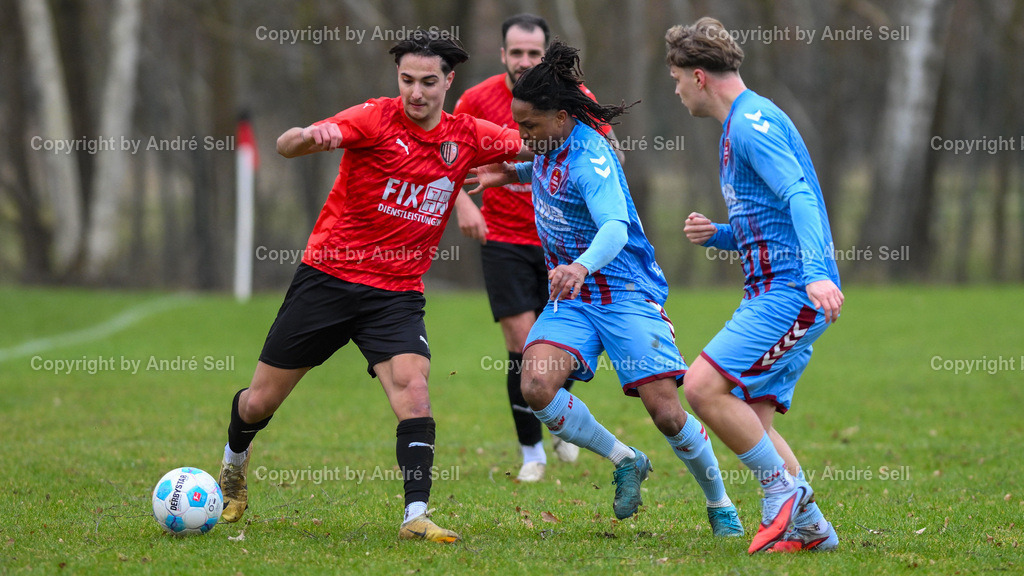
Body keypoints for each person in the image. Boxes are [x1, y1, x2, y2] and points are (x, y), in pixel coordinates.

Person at [215, 30, 524, 544]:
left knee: (415, 389)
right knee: (258, 404)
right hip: (328, 281)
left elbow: (535, 141)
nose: (416, 92)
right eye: (407, 80)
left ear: (450, 81)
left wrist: (583, 138)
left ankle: (415, 515)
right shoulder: (373, 118)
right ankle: (233, 463)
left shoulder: (468, 134)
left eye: (428, 82)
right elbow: (294, 142)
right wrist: (301, 138)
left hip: (396, 294)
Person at [469, 40, 743, 536]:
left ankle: (720, 502)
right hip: (575, 302)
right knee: (535, 386)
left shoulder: (589, 154)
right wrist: (512, 172)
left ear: (560, 116)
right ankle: (625, 459)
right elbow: (550, 170)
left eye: (529, 125)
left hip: (623, 295)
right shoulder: (552, 146)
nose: (521, 133)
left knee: (665, 413)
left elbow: (615, 227)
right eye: (518, 124)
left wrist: (579, 266)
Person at [665, 17, 844, 553]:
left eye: (675, 79)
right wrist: (720, 235)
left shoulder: (750, 123)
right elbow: (770, 217)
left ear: (698, 77)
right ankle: (812, 529)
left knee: (700, 387)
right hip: (777, 286)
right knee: (754, 420)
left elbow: (801, 198)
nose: (674, 90)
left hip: (790, 291)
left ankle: (779, 495)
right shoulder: (740, 125)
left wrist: (814, 272)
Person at [452, 14, 623, 484]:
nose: (524, 60)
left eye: (534, 53)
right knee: (521, 343)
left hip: (566, 245)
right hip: (503, 239)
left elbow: (611, 156)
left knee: (556, 346)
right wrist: (464, 204)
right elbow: (447, 155)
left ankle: (560, 416)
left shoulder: (574, 101)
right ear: (503, 54)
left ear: (544, 55)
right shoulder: (477, 99)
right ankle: (532, 452)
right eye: (517, 52)